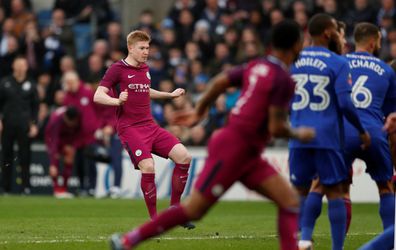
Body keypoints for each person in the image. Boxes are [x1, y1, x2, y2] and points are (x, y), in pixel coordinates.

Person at [109, 20, 316, 250]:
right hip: (232, 149)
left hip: (250, 154)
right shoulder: (283, 80)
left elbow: (220, 81)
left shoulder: (256, 65)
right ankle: (127, 241)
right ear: (296, 45)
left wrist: (199, 111)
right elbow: (277, 128)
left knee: (289, 201)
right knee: (194, 209)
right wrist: (300, 133)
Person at [299, 22, 396, 247]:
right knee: (386, 187)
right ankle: (390, 242)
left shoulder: (339, 62)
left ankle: (304, 238)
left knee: (321, 185)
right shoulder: (387, 69)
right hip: (374, 130)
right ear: (373, 42)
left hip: (341, 132)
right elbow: (391, 117)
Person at [93, 30, 194, 228]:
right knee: (148, 167)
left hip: (150, 126)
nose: (146, 52)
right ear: (131, 48)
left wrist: (169, 95)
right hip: (130, 128)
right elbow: (97, 95)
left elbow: (144, 90)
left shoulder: (145, 68)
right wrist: (116, 100)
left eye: (148, 48)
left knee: (184, 156)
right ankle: (155, 221)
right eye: (142, 48)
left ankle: (174, 210)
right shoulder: (117, 69)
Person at [288, 14, 371, 250]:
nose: (338, 32)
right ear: (327, 33)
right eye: (335, 29)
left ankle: (301, 240)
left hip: (298, 135)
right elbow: (345, 103)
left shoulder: (294, 60)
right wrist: (362, 131)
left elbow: (282, 97)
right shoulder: (338, 62)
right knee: (335, 191)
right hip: (327, 137)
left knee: (301, 191)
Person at [0, 56, 39, 194]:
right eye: (18, 64)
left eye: (23, 65)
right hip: (7, 124)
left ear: (26, 67)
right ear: (13, 66)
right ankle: (5, 187)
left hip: (24, 125)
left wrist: (34, 124)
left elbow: (35, 107)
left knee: (25, 156)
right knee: (6, 156)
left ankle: (25, 187)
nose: (21, 67)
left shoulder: (31, 84)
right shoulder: (5, 83)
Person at [44, 106, 80, 198]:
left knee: (70, 155)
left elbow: (78, 134)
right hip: (52, 139)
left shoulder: (78, 118)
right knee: (54, 162)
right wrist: (52, 163)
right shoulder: (56, 120)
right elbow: (53, 140)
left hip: (66, 140)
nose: (71, 124)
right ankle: (56, 190)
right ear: (65, 118)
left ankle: (64, 189)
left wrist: (73, 147)